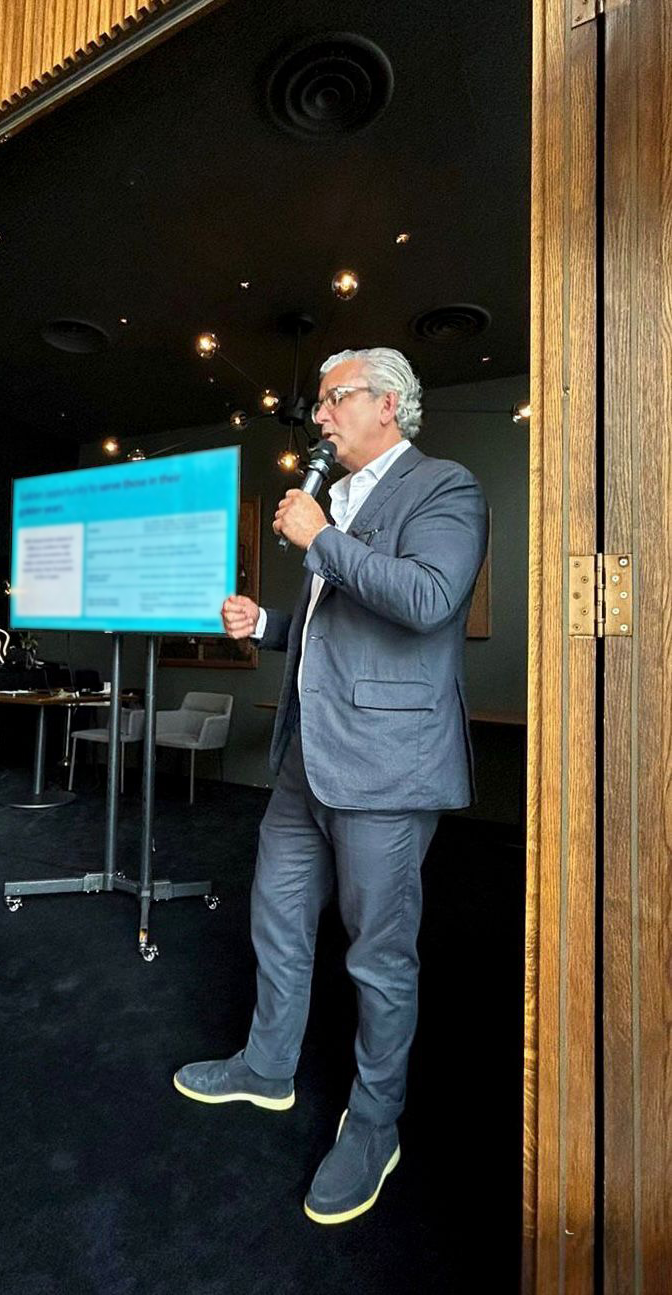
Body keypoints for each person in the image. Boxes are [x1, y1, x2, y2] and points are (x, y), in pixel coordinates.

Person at [173, 347, 488, 1224]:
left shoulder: (444, 486)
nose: (318, 415)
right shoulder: (339, 500)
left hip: (388, 767)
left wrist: (320, 538)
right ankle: (267, 1066)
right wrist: (268, 623)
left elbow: (428, 599)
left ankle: (375, 1124)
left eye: (332, 399)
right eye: (319, 402)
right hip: (304, 761)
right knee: (275, 918)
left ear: (387, 403)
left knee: (378, 957)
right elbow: (339, 627)